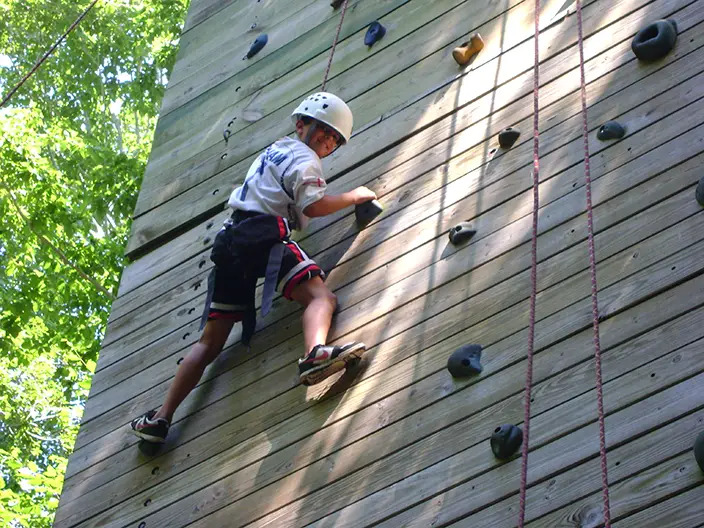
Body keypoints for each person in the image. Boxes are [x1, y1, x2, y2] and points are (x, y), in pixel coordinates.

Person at [130, 92, 377, 443]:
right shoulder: (305, 159)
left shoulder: (276, 149)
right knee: (321, 297)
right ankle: (314, 354)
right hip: (261, 234)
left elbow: (286, 196)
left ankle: (159, 418)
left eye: (334, 140)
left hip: (230, 241)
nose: (327, 142)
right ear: (301, 125)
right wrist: (357, 195)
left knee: (210, 343)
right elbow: (316, 206)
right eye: (324, 131)